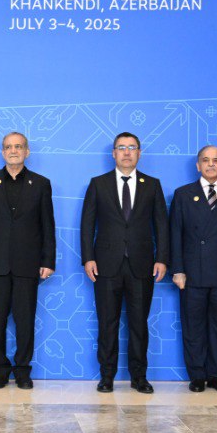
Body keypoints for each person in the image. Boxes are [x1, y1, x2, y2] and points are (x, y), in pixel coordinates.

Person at [80, 131, 169, 394]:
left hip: (142, 265)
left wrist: (162, 258)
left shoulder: (152, 185)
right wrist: (88, 258)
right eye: (121, 147)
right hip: (106, 265)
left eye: (132, 147)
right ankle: (106, 376)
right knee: (107, 323)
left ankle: (139, 377)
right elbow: (87, 224)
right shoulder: (98, 184)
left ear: (139, 153)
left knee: (139, 324)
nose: (127, 152)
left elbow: (161, 226)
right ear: (113, 153)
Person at [0, 132, 56, 389]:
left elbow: (48, 226)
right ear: (2, 152)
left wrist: (48, 260)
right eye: (8, 147)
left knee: (25, 320)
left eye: (18, 146)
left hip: (28, 263)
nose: (13, 150)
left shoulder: (41, 184)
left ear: (27, 151)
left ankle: (22, 371)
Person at [169, 145, 217, 393]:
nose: (211, 164)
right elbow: (175, 235)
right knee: (193, 327)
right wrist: (177, 269)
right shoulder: (183, 194)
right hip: (192, 272)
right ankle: (197, 375)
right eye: (205, 160)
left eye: (216, 160)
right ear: (198, 165)